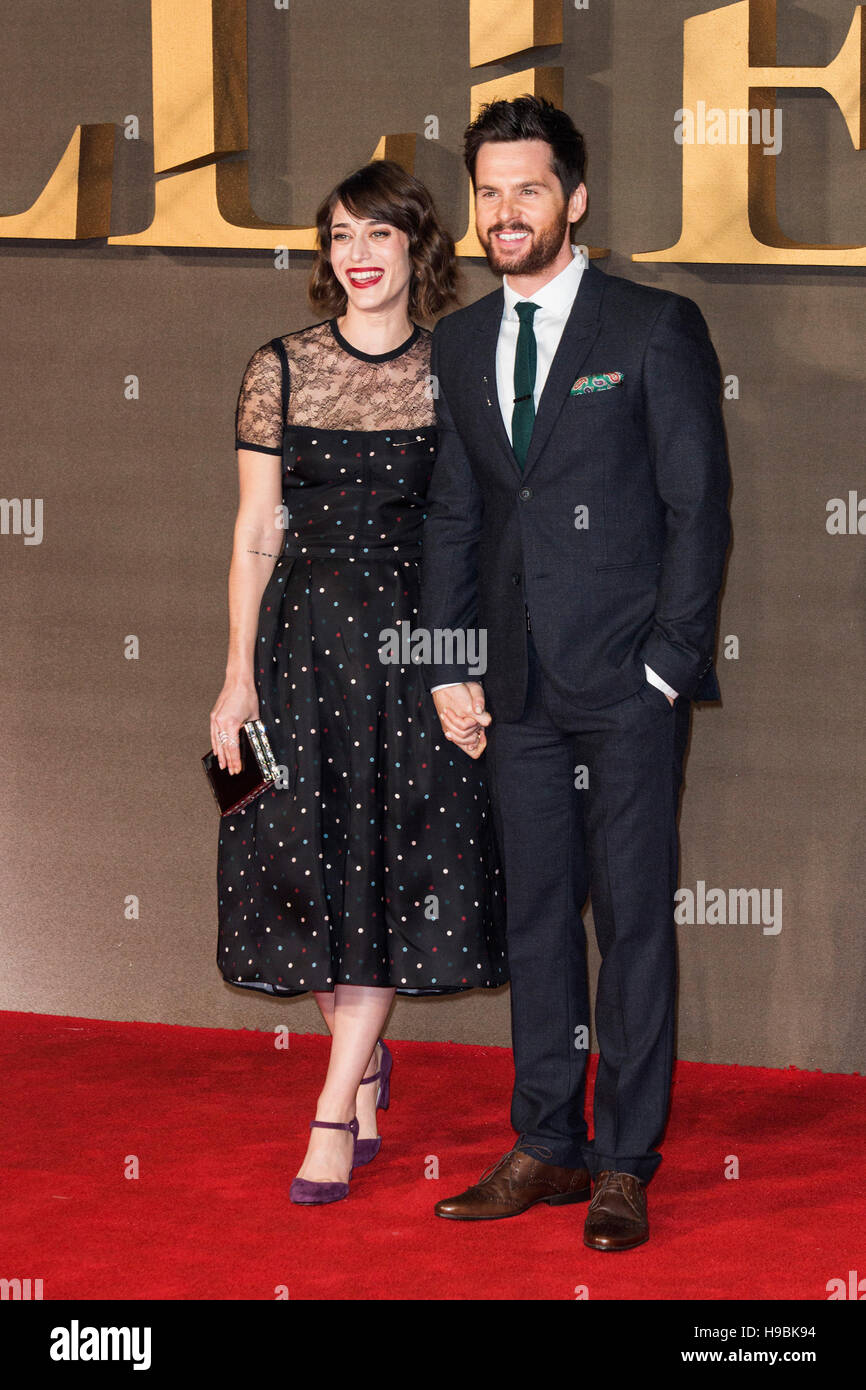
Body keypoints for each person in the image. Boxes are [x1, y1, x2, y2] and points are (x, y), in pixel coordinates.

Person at [420, 96, 731, 1249]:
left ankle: (622, 1160)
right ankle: (546, 1140)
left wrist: (664, 666)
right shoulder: (456, 341)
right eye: (489, 191)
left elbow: (699, 511)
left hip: (624, 686)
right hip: (511, 692)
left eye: (528, 189)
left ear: (576, 198)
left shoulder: (650, 327)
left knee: (633, 922)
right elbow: (453, 517)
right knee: (538, 918)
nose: (506, 212)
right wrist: (450, 665)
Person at [210, 160, 507, 1206]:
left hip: (414, 655)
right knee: (315, 862)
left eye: (378, 236)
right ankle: (365, 1060)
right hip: (298, 649)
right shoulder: (277, 369)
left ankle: (331, 1109)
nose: (357, 256)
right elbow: (256, 530)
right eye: (340, 236)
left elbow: (471, 535)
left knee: (390, 861)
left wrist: (455, 669)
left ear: (415, 250)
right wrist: (235, 675)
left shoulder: (456, 364)